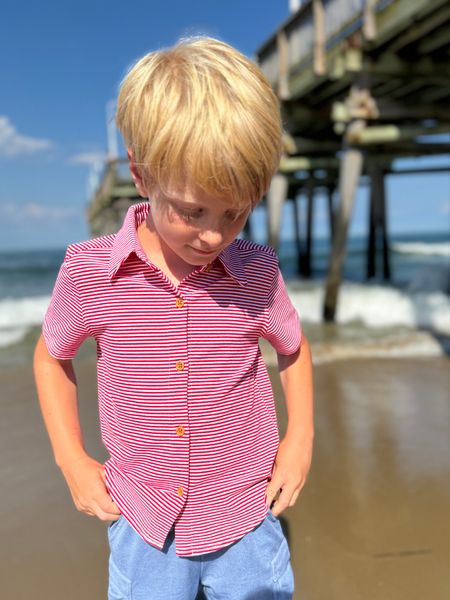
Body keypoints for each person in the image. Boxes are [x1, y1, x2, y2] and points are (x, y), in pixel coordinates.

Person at [33, 36, 314, 600]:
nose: (214, 234)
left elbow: (293, 346)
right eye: (193, 211)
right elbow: (51, 356)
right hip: (144, 515)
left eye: (236, 212)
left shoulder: (256, 269)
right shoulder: (91, 273)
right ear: (142, 175)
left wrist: (300, 437)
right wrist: (72, 461)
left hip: (245, 510)